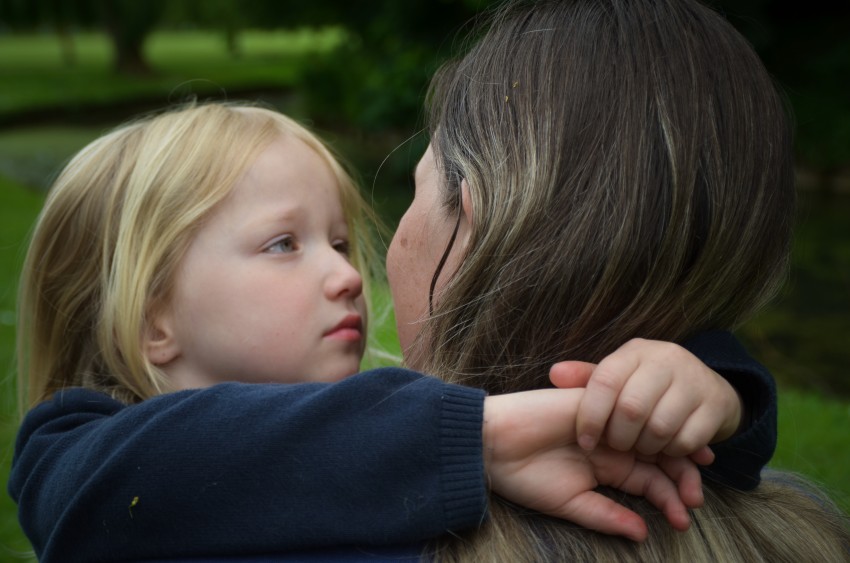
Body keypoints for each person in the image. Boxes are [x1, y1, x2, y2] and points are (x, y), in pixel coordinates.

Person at [9, 101, 751, 563]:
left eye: (338, 242)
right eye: (283, 244)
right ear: (154, 320)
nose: (345, 275)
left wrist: (715, 391)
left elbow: (581, 415)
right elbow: (148, 474)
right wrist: (472, 440)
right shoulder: (76, 456)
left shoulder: (390, 421)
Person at [383, 0, 849, 560]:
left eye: (416, 189)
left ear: (475, 218)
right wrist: (733, 399)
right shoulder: (811, 537)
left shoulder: (353, 519)